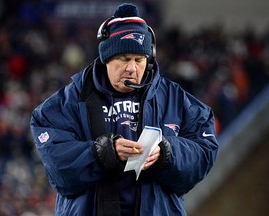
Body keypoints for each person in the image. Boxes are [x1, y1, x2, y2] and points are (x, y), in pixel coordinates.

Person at [30, 3, 219, 216]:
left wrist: (166, 152)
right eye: (124, 59)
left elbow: (204, 153)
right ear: (106, 58)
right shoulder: (64, 104)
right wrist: (102, 153)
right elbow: (59, 170)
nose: (132, 68)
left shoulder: (177, 100)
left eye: (139, 60)